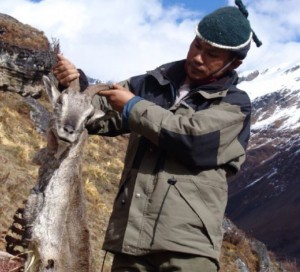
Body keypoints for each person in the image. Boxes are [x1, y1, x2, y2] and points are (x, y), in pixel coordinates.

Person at [53, 1, 261, 271]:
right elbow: (96, 115)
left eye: (212, 54)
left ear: (235, 62)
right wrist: (73, 84)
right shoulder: (153, 83)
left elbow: (194, 141)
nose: (198, 57)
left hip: (187, 248)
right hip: (129, 241)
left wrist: (132, 107)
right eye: (197, 45)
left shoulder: (235, 103)